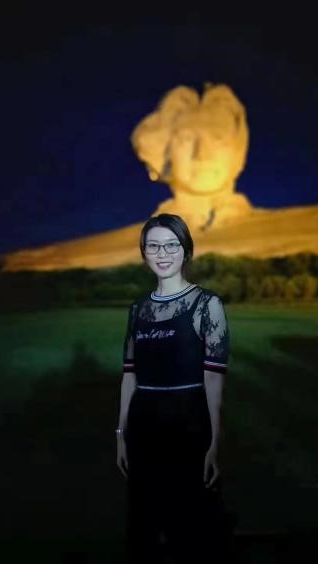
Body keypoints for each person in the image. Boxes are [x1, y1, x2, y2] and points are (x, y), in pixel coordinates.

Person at [116, 213, 234, 563]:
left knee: (192, 526)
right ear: (143, 253)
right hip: (143, 427)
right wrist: (121, 433)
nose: (163, 253)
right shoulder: (137, 309)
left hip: (189, 425)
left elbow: (214, 379)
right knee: (144, 525)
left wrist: (214, 441)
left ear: (186, 250)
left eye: (172, 245)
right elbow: (129, 375)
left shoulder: (207, 305)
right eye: (153, 246)